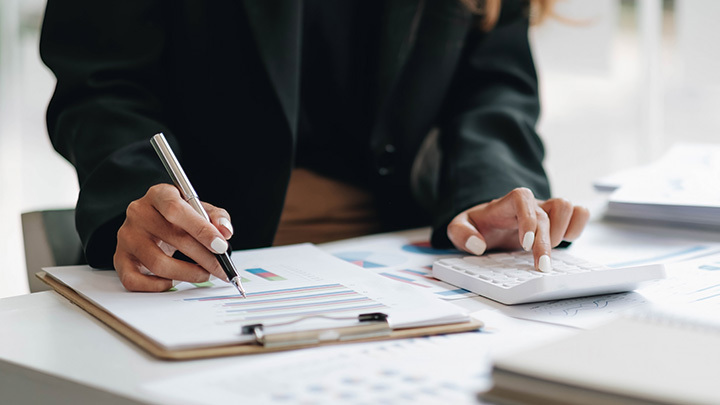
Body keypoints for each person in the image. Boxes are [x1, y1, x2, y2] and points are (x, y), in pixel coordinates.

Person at [40, 0, 589, 292]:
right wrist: (137, 197)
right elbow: (99, 84)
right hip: (211, 261)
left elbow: (493, 87)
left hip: (411, 263)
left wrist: (486, 192)